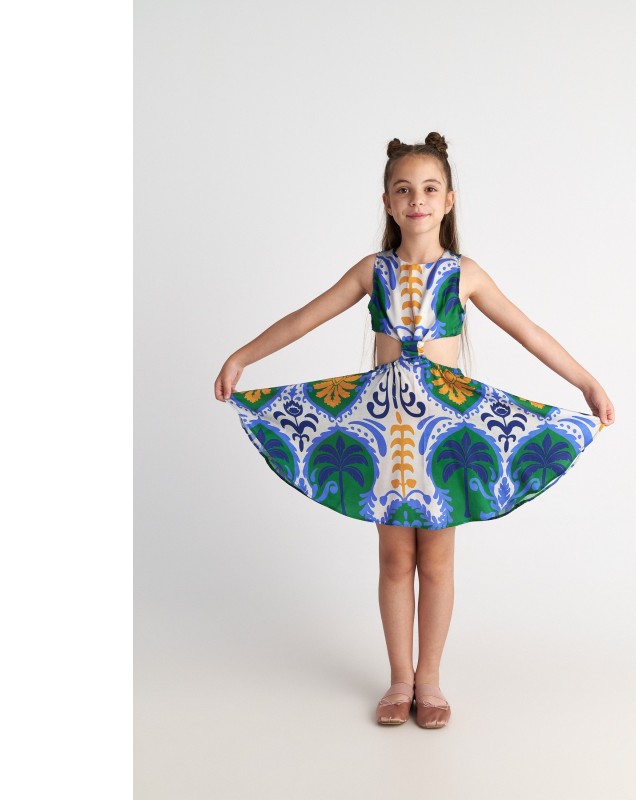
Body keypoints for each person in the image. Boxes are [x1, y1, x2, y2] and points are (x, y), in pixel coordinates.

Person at [214, 132, 615, 728]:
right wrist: (241, 358)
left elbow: (528, 331)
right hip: (384, 431)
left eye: (429, 189)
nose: (417, 200)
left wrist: (586, 383)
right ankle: (399, 679)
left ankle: (430, 680)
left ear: (449, 200)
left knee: (438, 561)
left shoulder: (463, 274)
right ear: (387, 203)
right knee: (395, 559)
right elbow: (304, 318)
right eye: (403, 190)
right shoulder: (373, 271)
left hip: (445, 436)